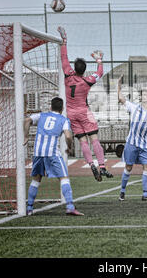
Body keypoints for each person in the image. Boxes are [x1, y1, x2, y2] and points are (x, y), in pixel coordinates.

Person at [57, 26, 113, 182]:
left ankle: (91, 165)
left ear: (74, 68)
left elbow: (64, 58)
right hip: (84, 112)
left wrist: (64, 41)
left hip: (71, 113)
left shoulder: (68, 75)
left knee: (82, 141)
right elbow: (100, 73)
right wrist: (99, 60)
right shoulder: (87, 81)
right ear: (84, 70)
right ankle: (102, 166)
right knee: (94, 138)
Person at [23, 97, 84, 216]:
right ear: (62, 109)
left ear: (50, 107)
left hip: (38, 152)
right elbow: (68, 136)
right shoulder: (63, 120)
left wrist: (26, 136)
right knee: (64, 178)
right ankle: (70, 206)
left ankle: (29, 208)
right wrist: (69, 147)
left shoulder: (41, 115)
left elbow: (26, 121)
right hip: (52, 153)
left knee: (36, 180)